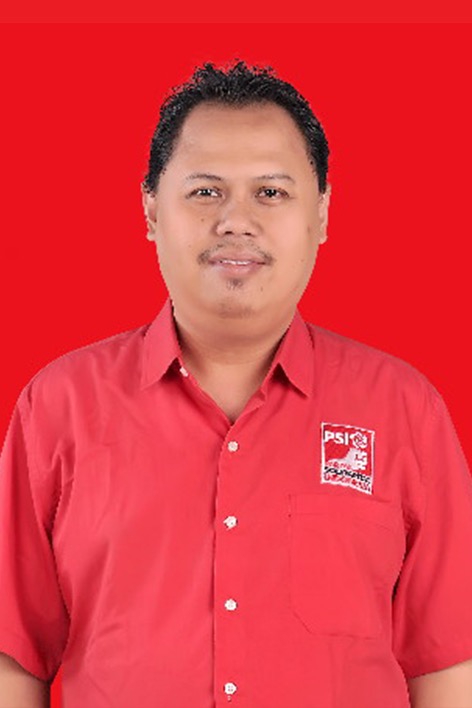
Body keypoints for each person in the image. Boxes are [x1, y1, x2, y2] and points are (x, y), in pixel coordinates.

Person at [0, 59, 471, 708]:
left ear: (322, 213)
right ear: (150, 210)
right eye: (205, 191)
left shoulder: (403, 409)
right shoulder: (59, 406)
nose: (236, 221)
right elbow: (15, 658)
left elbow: (447, 665)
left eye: (270, 192)